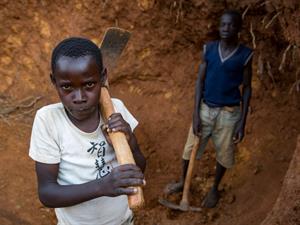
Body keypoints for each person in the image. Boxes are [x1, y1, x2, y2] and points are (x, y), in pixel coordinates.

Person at [29, 37, 146, 225]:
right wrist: (102, 186)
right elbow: (47, 194)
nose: (80, 97)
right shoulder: (48, 120)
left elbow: (139, 167)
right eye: (67, 87)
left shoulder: (116, 110)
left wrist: (129, 140)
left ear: (103, 78)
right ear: (54, 81)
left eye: (89, 84)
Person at [164, 10, 253, 208]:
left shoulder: (245, 55)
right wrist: (195, 114)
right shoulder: (210, 49)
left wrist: (242, 121)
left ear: (238, 29)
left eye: (230, 25)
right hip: (205, 109)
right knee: (189, 150)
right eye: (223, 25)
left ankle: (214, 188)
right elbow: (199, 82)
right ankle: (182, 181)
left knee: (224, 153)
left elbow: (247, 88)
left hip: (229, 114)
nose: (226, 29)